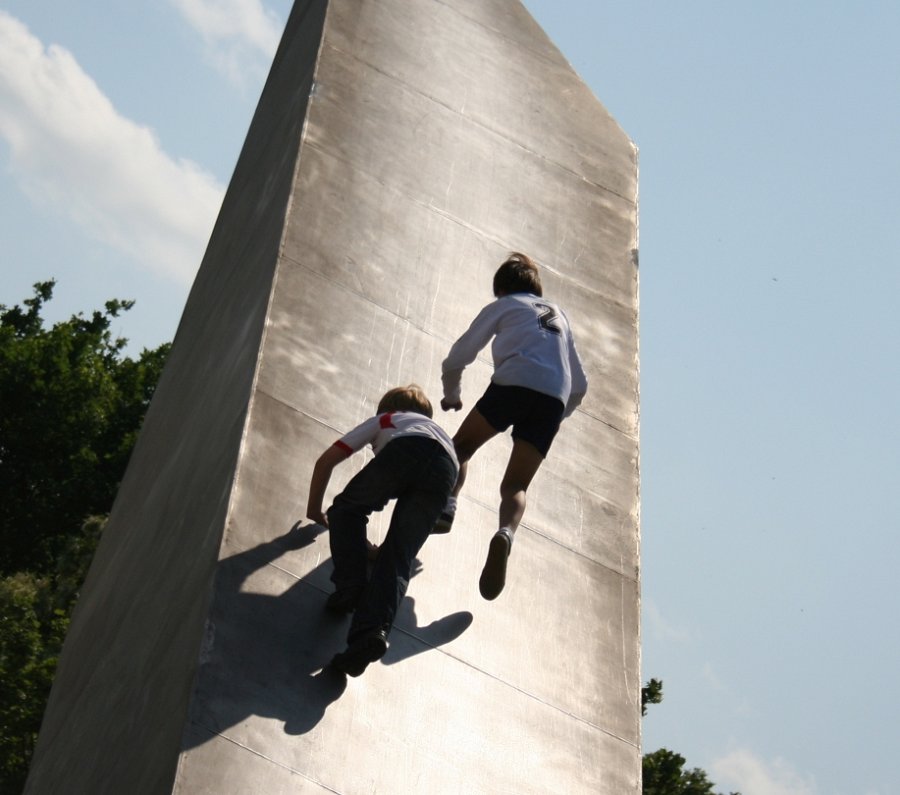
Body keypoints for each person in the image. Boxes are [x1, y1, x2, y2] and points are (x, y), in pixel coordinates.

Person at [439, 252, 588, 601]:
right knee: (517, 485)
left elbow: (461, 353)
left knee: (460, 447)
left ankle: (447, 506)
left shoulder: (506, 305)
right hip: (553, 397)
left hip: (514, 381)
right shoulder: (558, 316)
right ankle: (506, 533)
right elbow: (580, 386)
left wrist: (452, 392)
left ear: (502, 288)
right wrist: (554, 416)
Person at [306, 384, 459, 676]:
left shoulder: (388, 419)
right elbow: (459, 470)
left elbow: (327, 460)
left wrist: (315, 509)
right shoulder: (443, 436)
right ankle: (372, 634)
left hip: (406, 449)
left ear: (388, 408)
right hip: (446, 469)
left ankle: (350, 587)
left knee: (347, 510)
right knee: (398, 556)